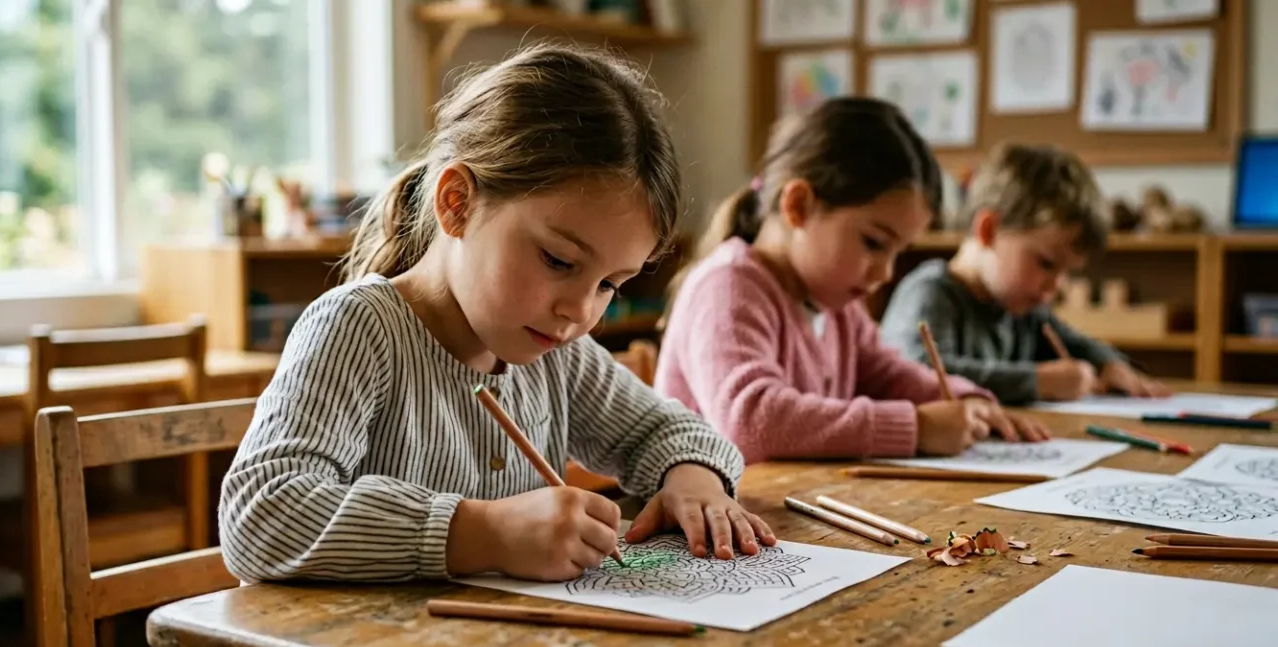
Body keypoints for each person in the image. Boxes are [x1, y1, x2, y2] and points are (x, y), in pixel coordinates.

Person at [219, 43, 775, 586]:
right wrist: (483, 533)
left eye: (610, 284)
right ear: (457, 203)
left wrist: (692, 478)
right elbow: (260, 513)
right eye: (559, 260)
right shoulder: (360, 329)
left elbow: (666, 428)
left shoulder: (555, 356)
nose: (580, 311)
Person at [655, 98, 1048, 466]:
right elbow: (752, 420)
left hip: (783, 517)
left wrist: (962, 398)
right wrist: (916, 427)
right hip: (696, 531)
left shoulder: (833, 302)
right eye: (874, 243)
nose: (885, 273)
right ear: (799, 206)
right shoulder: (728, 285)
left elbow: (888, 373)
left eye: (898, 251)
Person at [880, 142, 1170, 405]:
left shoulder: (1020, 308)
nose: (1056, 286)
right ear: (989, 230)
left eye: (1066, 272)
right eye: (1046, 263)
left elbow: (1076, 343)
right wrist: (1038, 381)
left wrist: (1109, 365)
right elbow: (917, 375)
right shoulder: (930, 292)